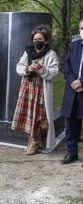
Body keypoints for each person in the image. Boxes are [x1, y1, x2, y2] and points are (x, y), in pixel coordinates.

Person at [11, 26, 59, 155]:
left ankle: (36, 141)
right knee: (28, 115)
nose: (37, 41)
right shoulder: (28, 52)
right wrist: (28, 69)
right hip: (28, 86)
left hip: (41, 89)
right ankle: (31, 140)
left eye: (40, 39)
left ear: (46, 40)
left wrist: (42, 68)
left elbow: (54, 72)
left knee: (38, 117)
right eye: (35, 39)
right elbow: (19, 66)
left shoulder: (51, 54)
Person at [60, 19, 83, 164]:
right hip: (72, 90)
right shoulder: (75, 45)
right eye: (81, 28)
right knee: (71, 124)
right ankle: (71, 152)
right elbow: (65, 63)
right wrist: (72, 80)